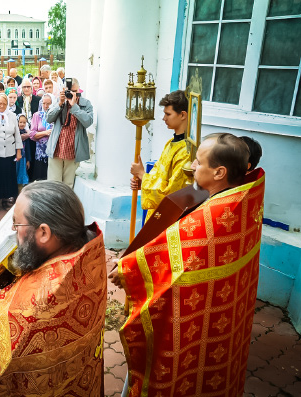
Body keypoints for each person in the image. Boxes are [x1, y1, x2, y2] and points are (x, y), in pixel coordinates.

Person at [111, 133, 264, 397]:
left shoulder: (213, 216)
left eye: (198, 161)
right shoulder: (244, 197)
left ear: (219, 172)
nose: (192, 166)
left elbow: (171, 256)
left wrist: (126, 270)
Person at [0, 180, 107, 395]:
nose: (13, 231)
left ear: (44, 233)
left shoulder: (22, 312)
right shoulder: (90, 254)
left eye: (17, 224)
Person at [130, 90, 191, 222]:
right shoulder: (171, 143)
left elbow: (172, 192)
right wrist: (143, 183)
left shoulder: (186, 152)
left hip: (169, 218)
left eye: (168, 114)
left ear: (183, 115)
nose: (164, 118)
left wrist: (141, 174)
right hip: (157, 214)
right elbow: (158, 175)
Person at [46, 77, 94, 188]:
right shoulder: (60, 101)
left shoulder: (85, 103)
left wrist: (74, 106)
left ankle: (65, 206)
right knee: (53, 184)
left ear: (79, 90)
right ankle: (54, 205)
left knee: (68, 186)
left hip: (73, 149)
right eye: (69, 91)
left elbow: (88, 121)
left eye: (74, 91)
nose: (71, 94)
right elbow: (48, 118)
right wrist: (60, 104)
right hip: (56, 147)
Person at [18, 78, 41, 180]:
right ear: (21, 88)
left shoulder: (37, 99)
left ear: (32, 88)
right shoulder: (18, 100)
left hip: (34, 131)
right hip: (21, 132)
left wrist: (32, 131)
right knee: (22, 156)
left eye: (28, 87)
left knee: (32, 153)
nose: (26, 89)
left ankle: (32, 178)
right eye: (24, 87)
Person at [30, 93, 54, 181]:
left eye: (48, 103)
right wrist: (45, 133)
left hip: (53, 152)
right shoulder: (37, 115)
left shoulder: (56, 115)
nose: (46, 106)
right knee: (40, 178)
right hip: (40, 153)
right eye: (44, 103)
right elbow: (32, 134)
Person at [16, 114, 31, 190]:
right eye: (20, 122)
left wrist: (28, 160)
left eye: (24, 122)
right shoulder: (14, 133)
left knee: (21, 175)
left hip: (23, 158)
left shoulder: (26, 134)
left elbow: (28, 148)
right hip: (15, 158)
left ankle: (19, 193)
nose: (22, 124)